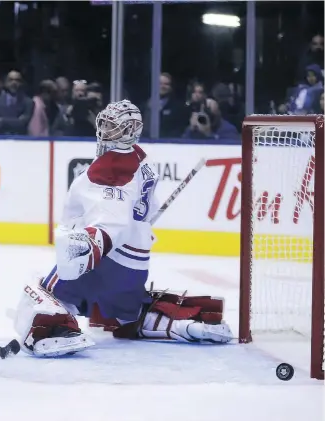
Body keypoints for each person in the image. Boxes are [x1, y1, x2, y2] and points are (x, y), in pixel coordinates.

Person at [13, 99, 233, 357]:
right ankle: (181, 323)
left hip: (104, 259)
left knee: (43, 289)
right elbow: (147, 210)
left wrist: (90, 248)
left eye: (111, 126)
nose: (104, 130)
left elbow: (110, 220)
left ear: (129, 131)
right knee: (127, 314)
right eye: (104, 124)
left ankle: (52, 333)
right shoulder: (141, 162)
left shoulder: (109, 169)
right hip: (135, 265)